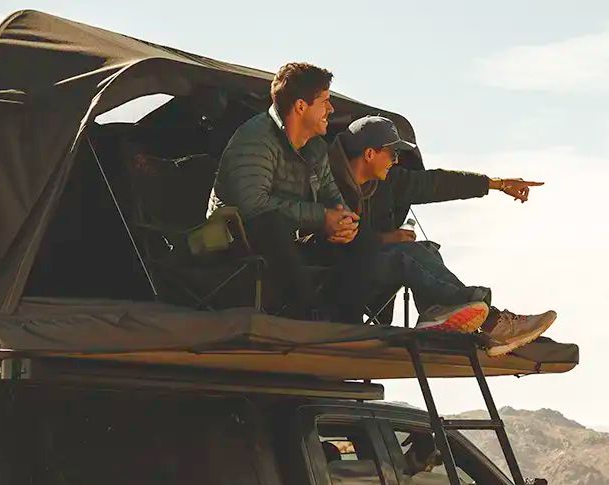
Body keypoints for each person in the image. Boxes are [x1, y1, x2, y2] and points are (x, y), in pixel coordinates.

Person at [325, 115, 557, 356]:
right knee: (408, 255)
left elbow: (436, 183)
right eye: (392, 154)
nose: (396, 161)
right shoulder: (326, 183)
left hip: (369, 274)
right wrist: (383, 240)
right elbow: (321, 242)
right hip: (336, 279)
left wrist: (494, 184)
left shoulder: (386, 183)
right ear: (370, 154)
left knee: (426, 250)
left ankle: (439, 316)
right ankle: (492, 322)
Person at [208, 62, 358, 318]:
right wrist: (322, 217)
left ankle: (348, 319)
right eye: (325, 101)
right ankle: (308, 314)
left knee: (357, 239)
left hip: (287, 241)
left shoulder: (316, 148)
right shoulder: (254, 138)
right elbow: (251, 207)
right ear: (301, 106)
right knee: (270, 223)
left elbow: (334, 202)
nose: (331, 109)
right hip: (229, 241)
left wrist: (344, 222)